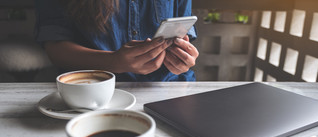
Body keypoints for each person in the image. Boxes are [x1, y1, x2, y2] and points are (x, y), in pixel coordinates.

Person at [34, 0, 199, 82]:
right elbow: (55, 47)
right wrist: (112, 62)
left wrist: (183, 58)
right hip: (96, 89)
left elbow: (184, 31)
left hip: (172, 86)